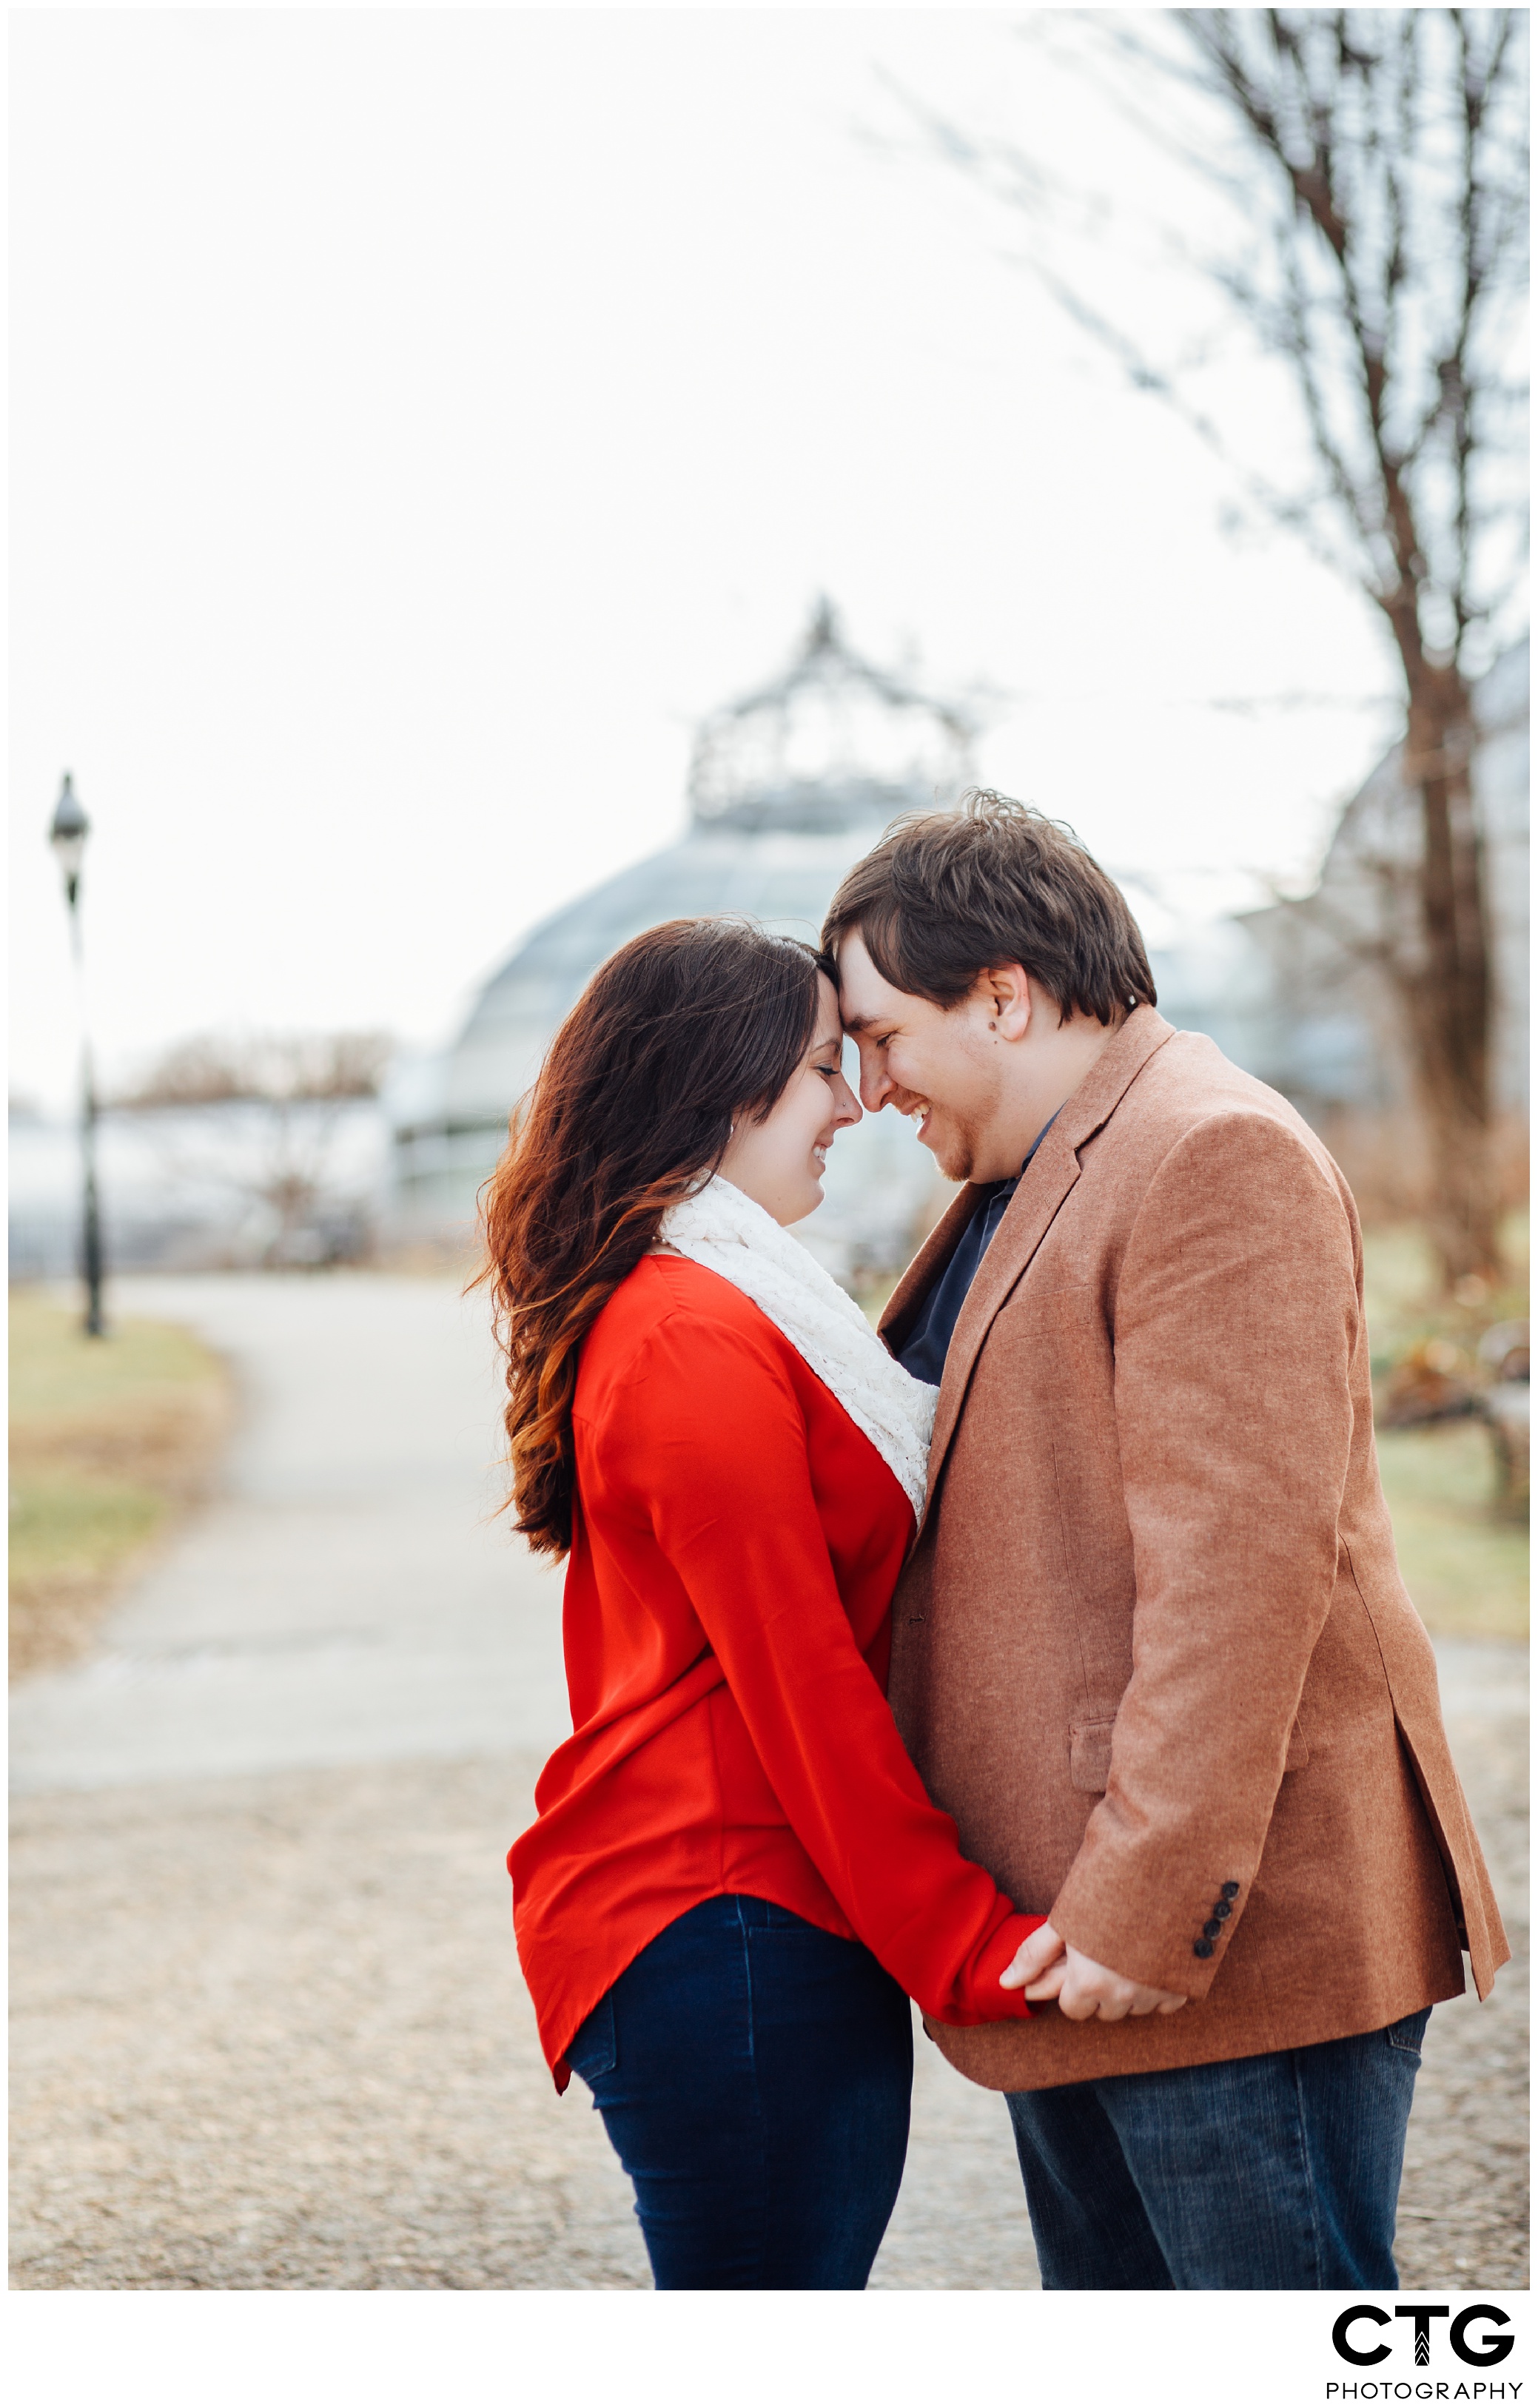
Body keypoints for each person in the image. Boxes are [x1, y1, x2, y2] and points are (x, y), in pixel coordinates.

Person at [822, 790, 1509, 2293]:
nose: (866, 1087)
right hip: (1071, 1932)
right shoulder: (1038, 1167)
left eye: (879, 1034)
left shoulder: (1210, 1154)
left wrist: (1144, 1909)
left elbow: (1238, 1578)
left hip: (1212, 1946)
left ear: (1001, 994)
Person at [480, 916, 1047, 2292]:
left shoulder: (739, 1300)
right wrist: (965, 1940)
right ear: (713, 1084)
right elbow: (801, 1683)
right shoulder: (688, 1332)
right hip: (721, 1916)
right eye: (815, 1068)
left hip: (762, 1913)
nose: (853, 1103)